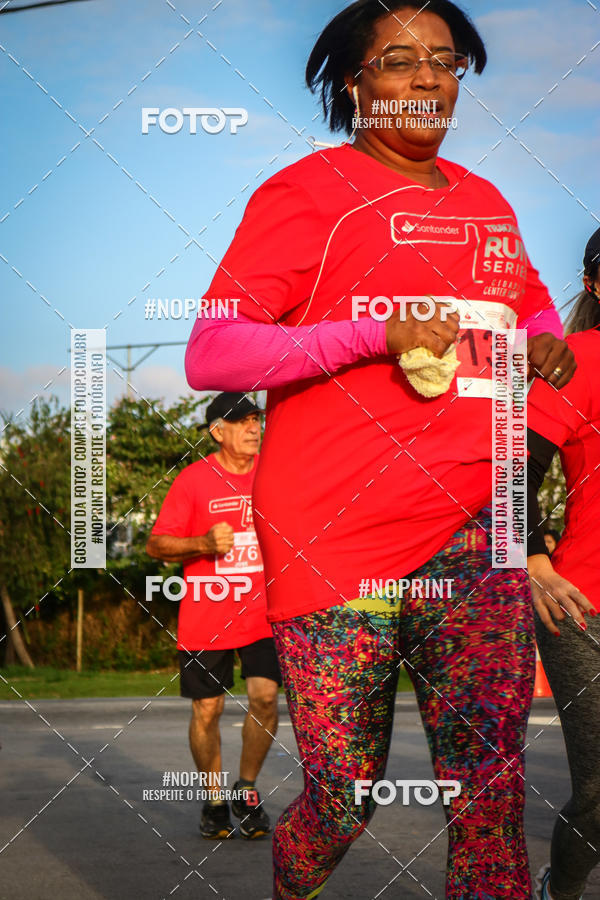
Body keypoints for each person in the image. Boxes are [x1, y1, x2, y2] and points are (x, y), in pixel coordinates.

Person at [184, 2, 576, 896]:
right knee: (344, 793)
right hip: (339, 542)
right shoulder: (307, 191)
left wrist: (547, 340)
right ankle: (295, 882)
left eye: (446, 61)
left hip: (483, 530)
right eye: (400, 61)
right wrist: (372, 334)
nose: (429, 79)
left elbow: (531, 306)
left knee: (491, 790)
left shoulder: (486, 202)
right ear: (354, 84)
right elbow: (213, 351)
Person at [146, 392, 281, 840]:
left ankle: (246, 792)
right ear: (216, 431)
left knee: (264, 698)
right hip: (209, 614)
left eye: (256, 419)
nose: (253, 429)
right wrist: (203, 543)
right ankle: (214, 799)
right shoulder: (192, 481)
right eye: (242, 422)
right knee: (208, 709)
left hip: (265, 612)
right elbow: (157, 544)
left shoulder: (274, 472)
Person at [527, 227, 600, 900]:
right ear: (596, 283)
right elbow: (511, 464)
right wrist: (534, 560)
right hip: (585, 605)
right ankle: (562, 889)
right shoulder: (577, 361)